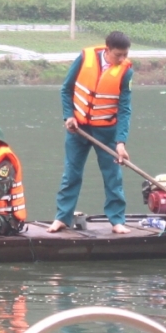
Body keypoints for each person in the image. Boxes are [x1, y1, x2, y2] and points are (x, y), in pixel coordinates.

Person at [50, 31, 133, 233]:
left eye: (125, 54)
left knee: (113, 176)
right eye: (118, 55)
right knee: (71, 174)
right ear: (107, 49)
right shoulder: (84, 58)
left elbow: (124, 108)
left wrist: (120, 142)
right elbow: (66, 89)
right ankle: (62, 217)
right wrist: (68, 116)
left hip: (107, 131)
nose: (122, 59)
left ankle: (117, 220)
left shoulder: (126, 71)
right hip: (78, 129)